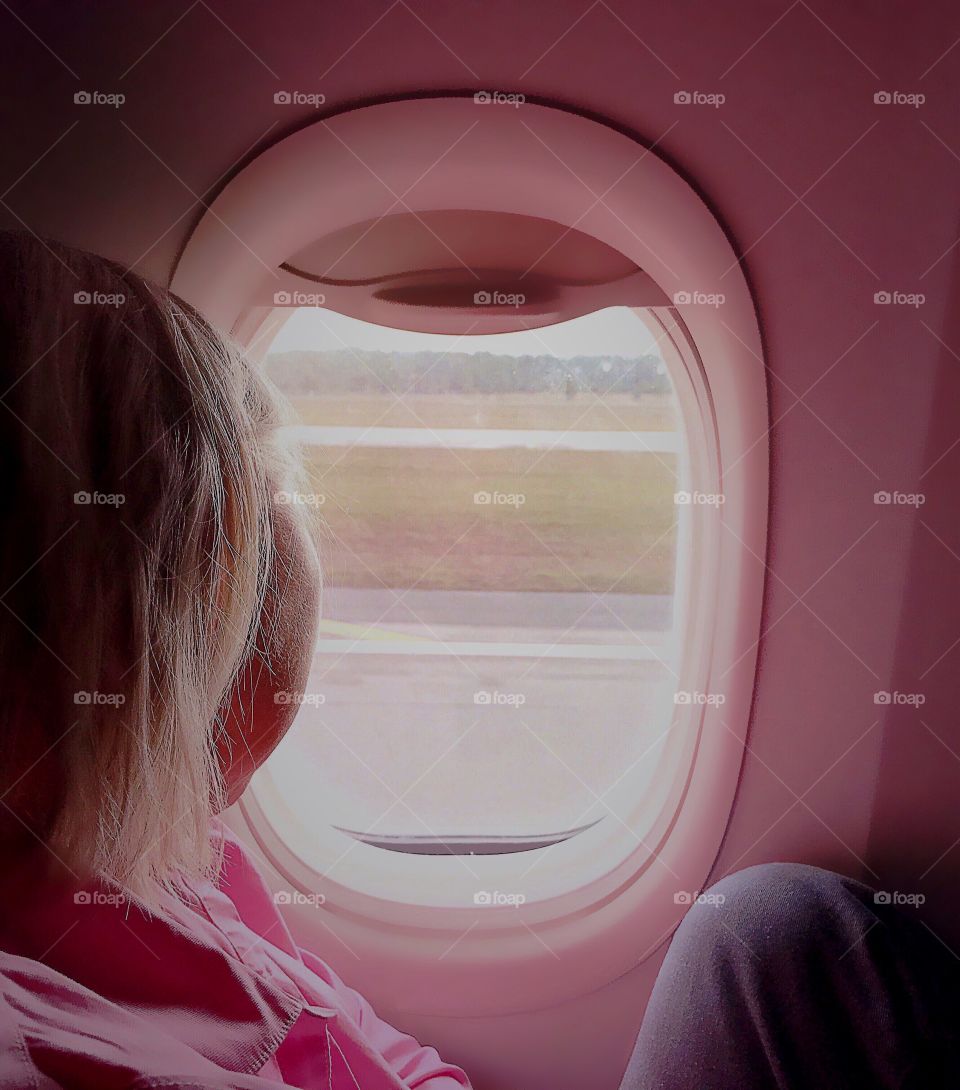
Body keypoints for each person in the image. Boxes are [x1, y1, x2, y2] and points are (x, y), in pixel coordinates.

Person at [0, 230, 470, 1089]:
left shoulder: (159, 855)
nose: (205, 808)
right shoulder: (41, 1046)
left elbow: (336, 1021)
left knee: (762, 928)